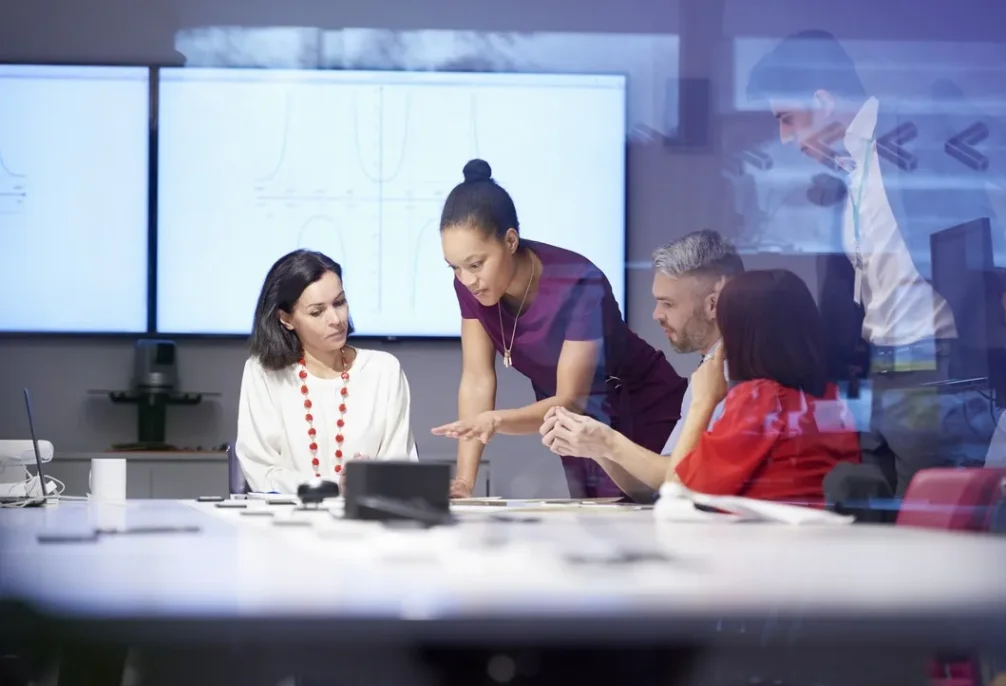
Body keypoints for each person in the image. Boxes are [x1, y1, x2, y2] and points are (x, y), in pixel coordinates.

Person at [746, 30, 1006, 497]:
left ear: (822, 101)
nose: (784, 137)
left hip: (941, 373)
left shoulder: (925, 128)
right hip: (875, 381)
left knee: (930, 532)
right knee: (877, 532)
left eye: (787, 119)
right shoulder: (842, 174)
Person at [431, 159, 687, 499]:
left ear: (510, 240)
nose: (467, 280)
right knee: (597, 531)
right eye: (455, 267)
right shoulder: (469, 284)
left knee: (658, 517)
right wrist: (465, 480)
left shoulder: (577, 281)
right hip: (571, 423)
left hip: (639, 405)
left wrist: (495, 421)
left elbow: (571, 399)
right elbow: (477, 378)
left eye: (476, 264)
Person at [539, 229, 744, 501]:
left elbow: (678, 483)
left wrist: (608, 441)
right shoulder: (708, 373)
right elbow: (657, 487)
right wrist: (596, 447)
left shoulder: (737, 376)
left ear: (712, 305)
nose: (657, 314)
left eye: (667, 304)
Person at [667, 269, 860, 500]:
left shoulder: (761, 400)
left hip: (766, 534)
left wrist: (702, 402)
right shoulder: (830, 397)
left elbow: (677, 491)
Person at [236, 249, 417, 494]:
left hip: (368, 524)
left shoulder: (383, 371)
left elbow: (401, 466)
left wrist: (373, 478)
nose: (335, 319)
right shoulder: (263, 372)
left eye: (340, 303)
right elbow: (262, 471)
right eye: (317, 311)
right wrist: (333, 487)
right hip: (286, 525)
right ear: (286, 319)